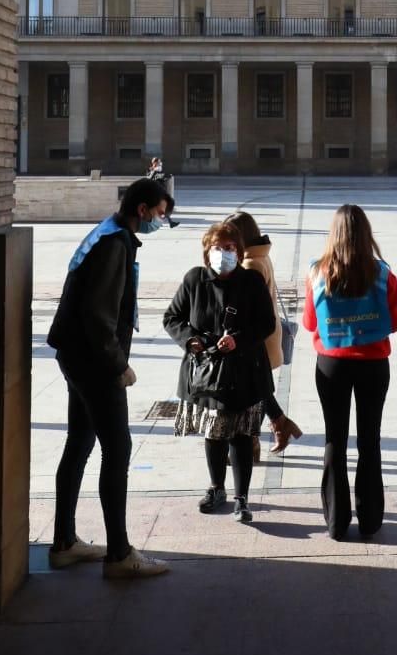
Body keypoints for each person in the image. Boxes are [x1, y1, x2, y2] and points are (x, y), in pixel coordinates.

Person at [47, 177, 172, 578]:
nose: (160, 221)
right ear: (143, 210)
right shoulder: (114, 246)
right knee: (117, 450)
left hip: (75, 355)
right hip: (94, 362)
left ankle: (65, 542)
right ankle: (119, 555)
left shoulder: (108, 232)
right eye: (159, 213)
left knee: (80, 441)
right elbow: (98, 316)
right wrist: (119, 365)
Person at [164, 220, 275, 523]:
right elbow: (172, 317)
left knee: (241, 435)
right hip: (208, 375)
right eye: (218, 248)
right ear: (207, 251)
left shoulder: (251, 281)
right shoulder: (194, 280)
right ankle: (217, 488)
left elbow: (267, 324)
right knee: (214, 435)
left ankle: (242, 498)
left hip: (244, 373)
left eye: (229, 248)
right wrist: (192, 340)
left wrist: (237, 340)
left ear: (239, 252)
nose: (223, 253)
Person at [302, 204, 397, 540]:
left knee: (335, 439)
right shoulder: (384, 274)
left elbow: (309, 323)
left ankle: (336, 520)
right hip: (374, 362)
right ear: (366, 234)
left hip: (332, 364)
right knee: (370, 440)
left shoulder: (317, 273)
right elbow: (395, 322)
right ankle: (371, 519)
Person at [226, 209, 303, 456]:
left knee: (254, 390)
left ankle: (253, 442)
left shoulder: (250, 264)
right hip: (265, 334)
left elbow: (248, 307)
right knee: (259, 388)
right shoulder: (258, 256)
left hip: (257, 337)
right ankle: (279, 424)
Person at [147, 155, 180, 227]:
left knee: (162, 207)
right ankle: (168, 222)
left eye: (159, 162)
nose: (160, 163)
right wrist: (152, 171)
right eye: (158, 162)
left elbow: (165, 177)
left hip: (159, 191)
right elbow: (150, 179)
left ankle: (169, 222)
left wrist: (152, 172)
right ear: (155, 163)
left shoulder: (156, 170)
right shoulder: (156, 170)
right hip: (157, 192)